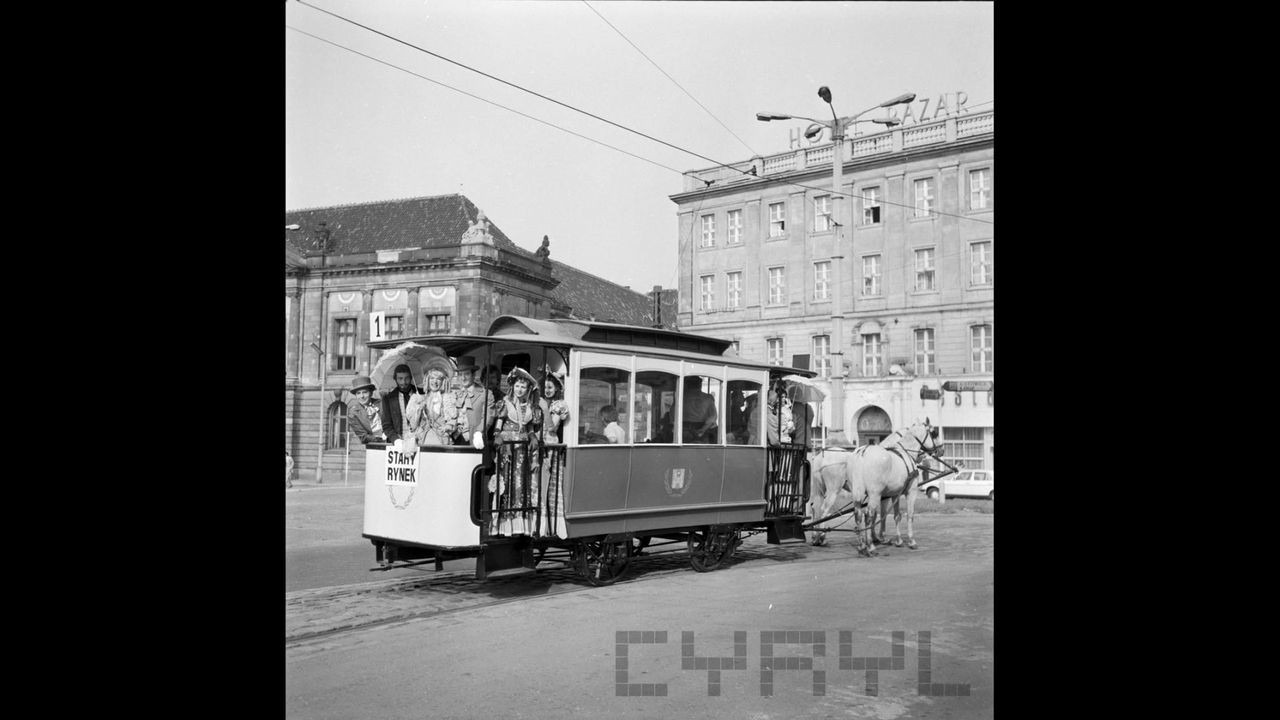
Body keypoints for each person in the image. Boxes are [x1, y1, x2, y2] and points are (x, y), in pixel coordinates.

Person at [492, 367, 542, 535]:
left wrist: (533, 436)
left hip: (522, 449)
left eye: (524, 387)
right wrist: (497, 435)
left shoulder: (530, 407)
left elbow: (529, 427)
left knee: (520, 481)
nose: (520, 389)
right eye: (518, 386)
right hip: (507, 448)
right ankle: (503, 522)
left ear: (528, 389)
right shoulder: (504, 404)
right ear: (512, 386)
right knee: (506, 480)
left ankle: (520, 522)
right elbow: (498, 424)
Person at [538, 371, 570, 535]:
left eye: (550, 387)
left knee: (549, 484)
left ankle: (550, 524)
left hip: (550, 446)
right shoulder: (544, 403)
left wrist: (544, 409)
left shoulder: (558, 405)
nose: (547, 390)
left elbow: (552, 428)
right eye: (545, 387)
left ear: (557, 388)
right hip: (540, 444)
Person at [405, 360, 459, 446]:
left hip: (441, 439)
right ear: (427, 380)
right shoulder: (421, 398)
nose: (435, 382)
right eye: (432, 378)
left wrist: (447, 427)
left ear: (443, 381)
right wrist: (418, 409)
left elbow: (453, 420)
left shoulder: (447, 398)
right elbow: (413, 425)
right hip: (423, 439)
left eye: (438, 379)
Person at [452, 357, 496, 446]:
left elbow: (488, 416)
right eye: (460, 374)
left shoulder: (486, 394)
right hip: (455, 439)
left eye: (466, 374)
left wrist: (479, 432)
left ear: (473, 375)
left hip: (474, 440)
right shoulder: (454, 394)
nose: (463, 378)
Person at [380, 364, 422, 445]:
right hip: (399, 442)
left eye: (407, 378)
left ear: (411, 377)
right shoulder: (388, 399)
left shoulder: (422, 393)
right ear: (395, 379)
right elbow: (386, 425)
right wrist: (395, 440)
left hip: (420, 441)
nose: (404, 382)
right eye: (400, 378)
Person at [346, 376, 387, 445]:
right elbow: (363, 437)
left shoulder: (382, 404)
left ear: (371, 393)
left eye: (365, 392)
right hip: (374, 446)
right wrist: (382, 439)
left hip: (393, 443)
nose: (362, 396)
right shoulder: (353, 414)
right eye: (358, 393)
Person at [681, 376, 718, 443]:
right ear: (700, 385)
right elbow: (713, 417)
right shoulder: (708, 398)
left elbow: (673, 415)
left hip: (684, 431)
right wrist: (703, 429)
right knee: (703, 452)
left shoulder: (681, 397)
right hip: (702, 431)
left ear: (687, 385)